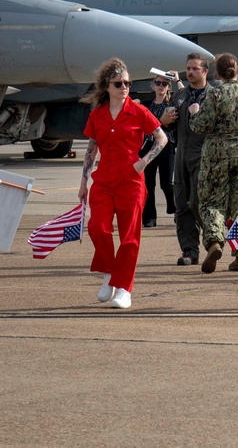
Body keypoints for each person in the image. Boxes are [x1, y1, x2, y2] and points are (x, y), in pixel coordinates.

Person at [78, 58, 167, 309]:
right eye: (119, 83)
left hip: (131, 179)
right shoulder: (97, 115)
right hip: (104, 178)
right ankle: (109, 272)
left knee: (129, 237)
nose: (124, 87)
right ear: (107, 86)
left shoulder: (139, 112)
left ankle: (124, 289)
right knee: (98, 227)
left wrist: (143, 162)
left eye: (128, 83)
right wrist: (84, 181)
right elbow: (90, 150)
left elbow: (162, 139)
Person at [190, 53, 238, 273]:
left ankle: (214, 242)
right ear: (237, 71)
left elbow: (200, 126)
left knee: (212, 201)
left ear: (218, 74)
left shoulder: (214, 94)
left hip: (216, 153)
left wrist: (194, 113)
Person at [164, 53, 212, 266]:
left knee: (198, 203)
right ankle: (189, 251)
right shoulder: (180, 96)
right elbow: (166, 126)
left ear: (205, 71)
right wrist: (164, 120)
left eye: (195, 68)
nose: (190, 72)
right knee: (181, 205)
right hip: (182, 155)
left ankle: (212, 243)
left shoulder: (214, 96)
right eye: (188, 68)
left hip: (205, 156)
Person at [139, 75, 176, 228]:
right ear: (153, 86)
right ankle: (149, 217)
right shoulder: (145, 105)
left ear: (168, 87)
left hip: (167, 145)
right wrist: (161, 121)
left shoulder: (171, 105)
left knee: (167, 183)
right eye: (158, 83)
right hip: (149, 146)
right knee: (148, 183)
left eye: (165, 84)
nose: (161, 86)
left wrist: (178, 80)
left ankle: (176, 210)